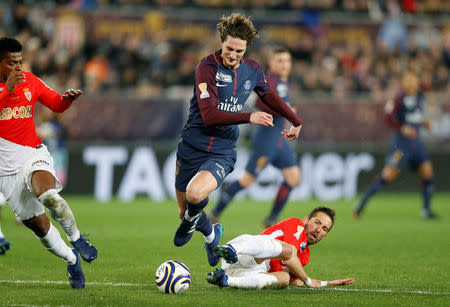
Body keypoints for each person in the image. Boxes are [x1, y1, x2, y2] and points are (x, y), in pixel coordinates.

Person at [174, 13, 303, 268]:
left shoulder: (252, 70)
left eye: (239, 51)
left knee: (195, 194)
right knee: (186, 208)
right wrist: (249, 117)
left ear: (246, 49)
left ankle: (193, 223)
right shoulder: (206, 68)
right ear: (221, 41)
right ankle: (212, 237)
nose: (233, 55)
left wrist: (295, 120)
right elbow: (209, 115)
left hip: (222, 150)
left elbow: (269, 97)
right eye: (229, 48)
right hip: (192, 145)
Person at [0, 37, 97, 289]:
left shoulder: (29, 80)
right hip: (5, 172)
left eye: (21, 62)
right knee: (40, 228)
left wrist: (67, 99)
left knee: (48, 194)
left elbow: (55, 103)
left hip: (33, 154)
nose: (19, 68)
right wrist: (7, 91)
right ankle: (71, 258)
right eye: (12, 63)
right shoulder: (9, 88)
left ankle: (77, 238)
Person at [209, 47, 300, 228]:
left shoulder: (282, 82)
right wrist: (285, 112)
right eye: (280, 61)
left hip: (279, 140)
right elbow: (259, 101)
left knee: (293, 177)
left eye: (287, 61)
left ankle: (271, 219)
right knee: (248, 180)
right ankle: (215, 212)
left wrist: (286, 113)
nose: (284, 65)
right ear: (272, 63)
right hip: (266, 140)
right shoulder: (272, 81)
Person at [353, 72, 436, 219]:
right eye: (408, 79)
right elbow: (388, 117)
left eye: (413, 79)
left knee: (428, 172)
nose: (411, 82)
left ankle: (426, 211)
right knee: (388, 175)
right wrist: (402, 128)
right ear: (404, 82)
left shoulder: (420, 96)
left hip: (416, 144)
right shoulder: (399, 98)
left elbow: (416, 115)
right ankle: (361, 203)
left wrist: (424, 123)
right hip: (401, 145)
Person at [206, 206, 354, 289]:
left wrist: (327, 283)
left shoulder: (305, 257)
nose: (318, 229)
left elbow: (297, 281)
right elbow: (290, 258)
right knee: (288, 251)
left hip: (247, 271)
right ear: (306, 220)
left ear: (325, 235)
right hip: (246, 253)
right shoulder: (296, 226)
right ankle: (231, 249)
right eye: (316, 222)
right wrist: (309, 281)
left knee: (284, 278)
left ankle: (225, 280)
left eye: (324, 229)